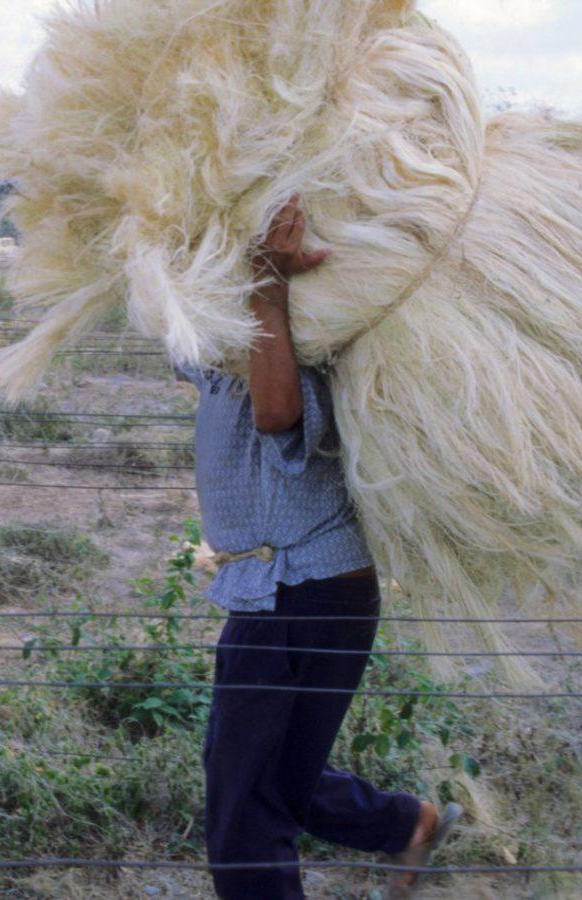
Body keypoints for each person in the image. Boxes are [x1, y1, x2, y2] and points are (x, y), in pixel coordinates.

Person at [183, 196, 463, 899]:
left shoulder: (308, 336)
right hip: (294, 591)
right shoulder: (231, 340)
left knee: (245, 808)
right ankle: (407, 823)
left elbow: (277, 414)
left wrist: (270, 287)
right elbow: (178, 334)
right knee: (279, 777)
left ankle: (401, 824)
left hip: (300, 589)